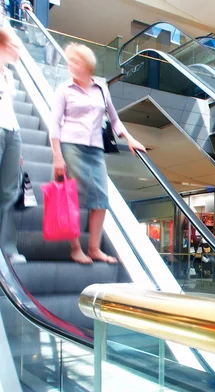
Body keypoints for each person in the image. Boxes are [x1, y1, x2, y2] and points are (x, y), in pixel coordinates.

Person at [50, 43, 145, 264]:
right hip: (71, 146)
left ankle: (94, 248)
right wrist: (57, 155)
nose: (70, 65)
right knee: (72, 197)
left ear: (86, 65)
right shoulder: (64, 89)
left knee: (101, 198)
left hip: (95, 149)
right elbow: (54, 123)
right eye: (69, 61)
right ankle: (75, 248)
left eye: (75, 61)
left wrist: (129, 139)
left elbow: (114, 119)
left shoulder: (101, 88)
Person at [0, 29, 26, 264]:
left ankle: (7, 247)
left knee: (9, 192)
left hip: (11, 130)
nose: (18, 51)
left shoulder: (8, 75)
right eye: (15, 46)